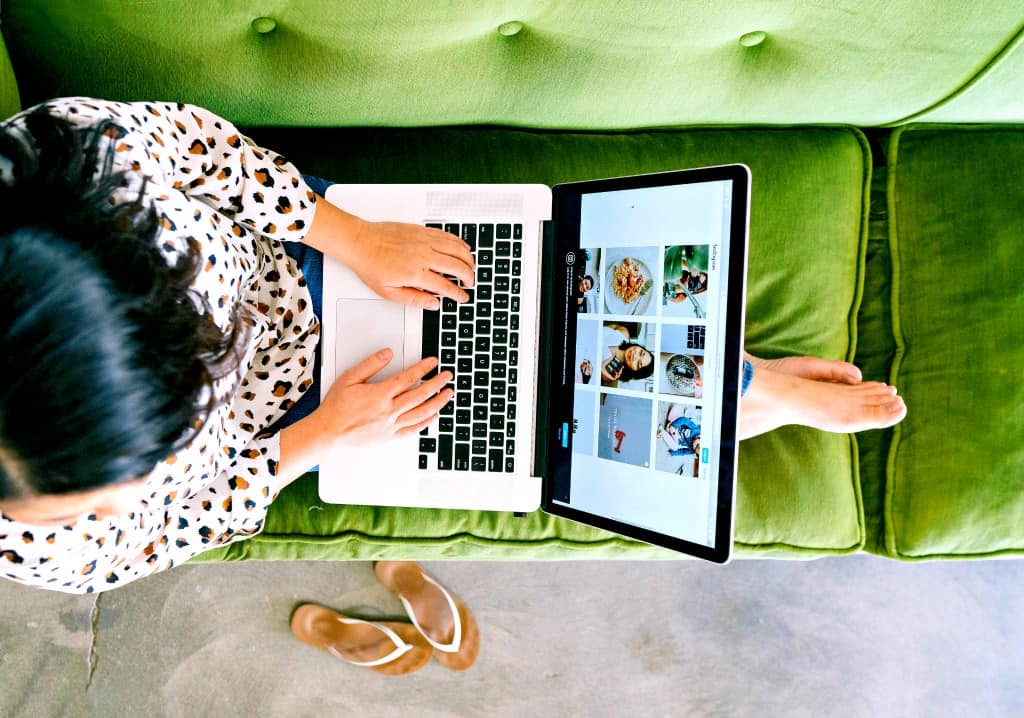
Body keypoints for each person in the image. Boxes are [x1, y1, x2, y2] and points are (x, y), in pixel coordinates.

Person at [0, 97, 907, 598]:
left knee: (564, 297)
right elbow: (158, 536)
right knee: (563, 423)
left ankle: (744, 385)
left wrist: (347, 233)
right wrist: (309, 443)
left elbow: (215, 160)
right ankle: (747, 391)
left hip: (301, 258)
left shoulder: (86, 156)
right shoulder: (37, 547)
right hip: (293, 418)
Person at [600, 322, 655, 386]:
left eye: (638, 364)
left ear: (634, 372)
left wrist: (601, 369)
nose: (634, 356)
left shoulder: (610, 372)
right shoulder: (624, 332)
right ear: (640, 347)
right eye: (640, 353)